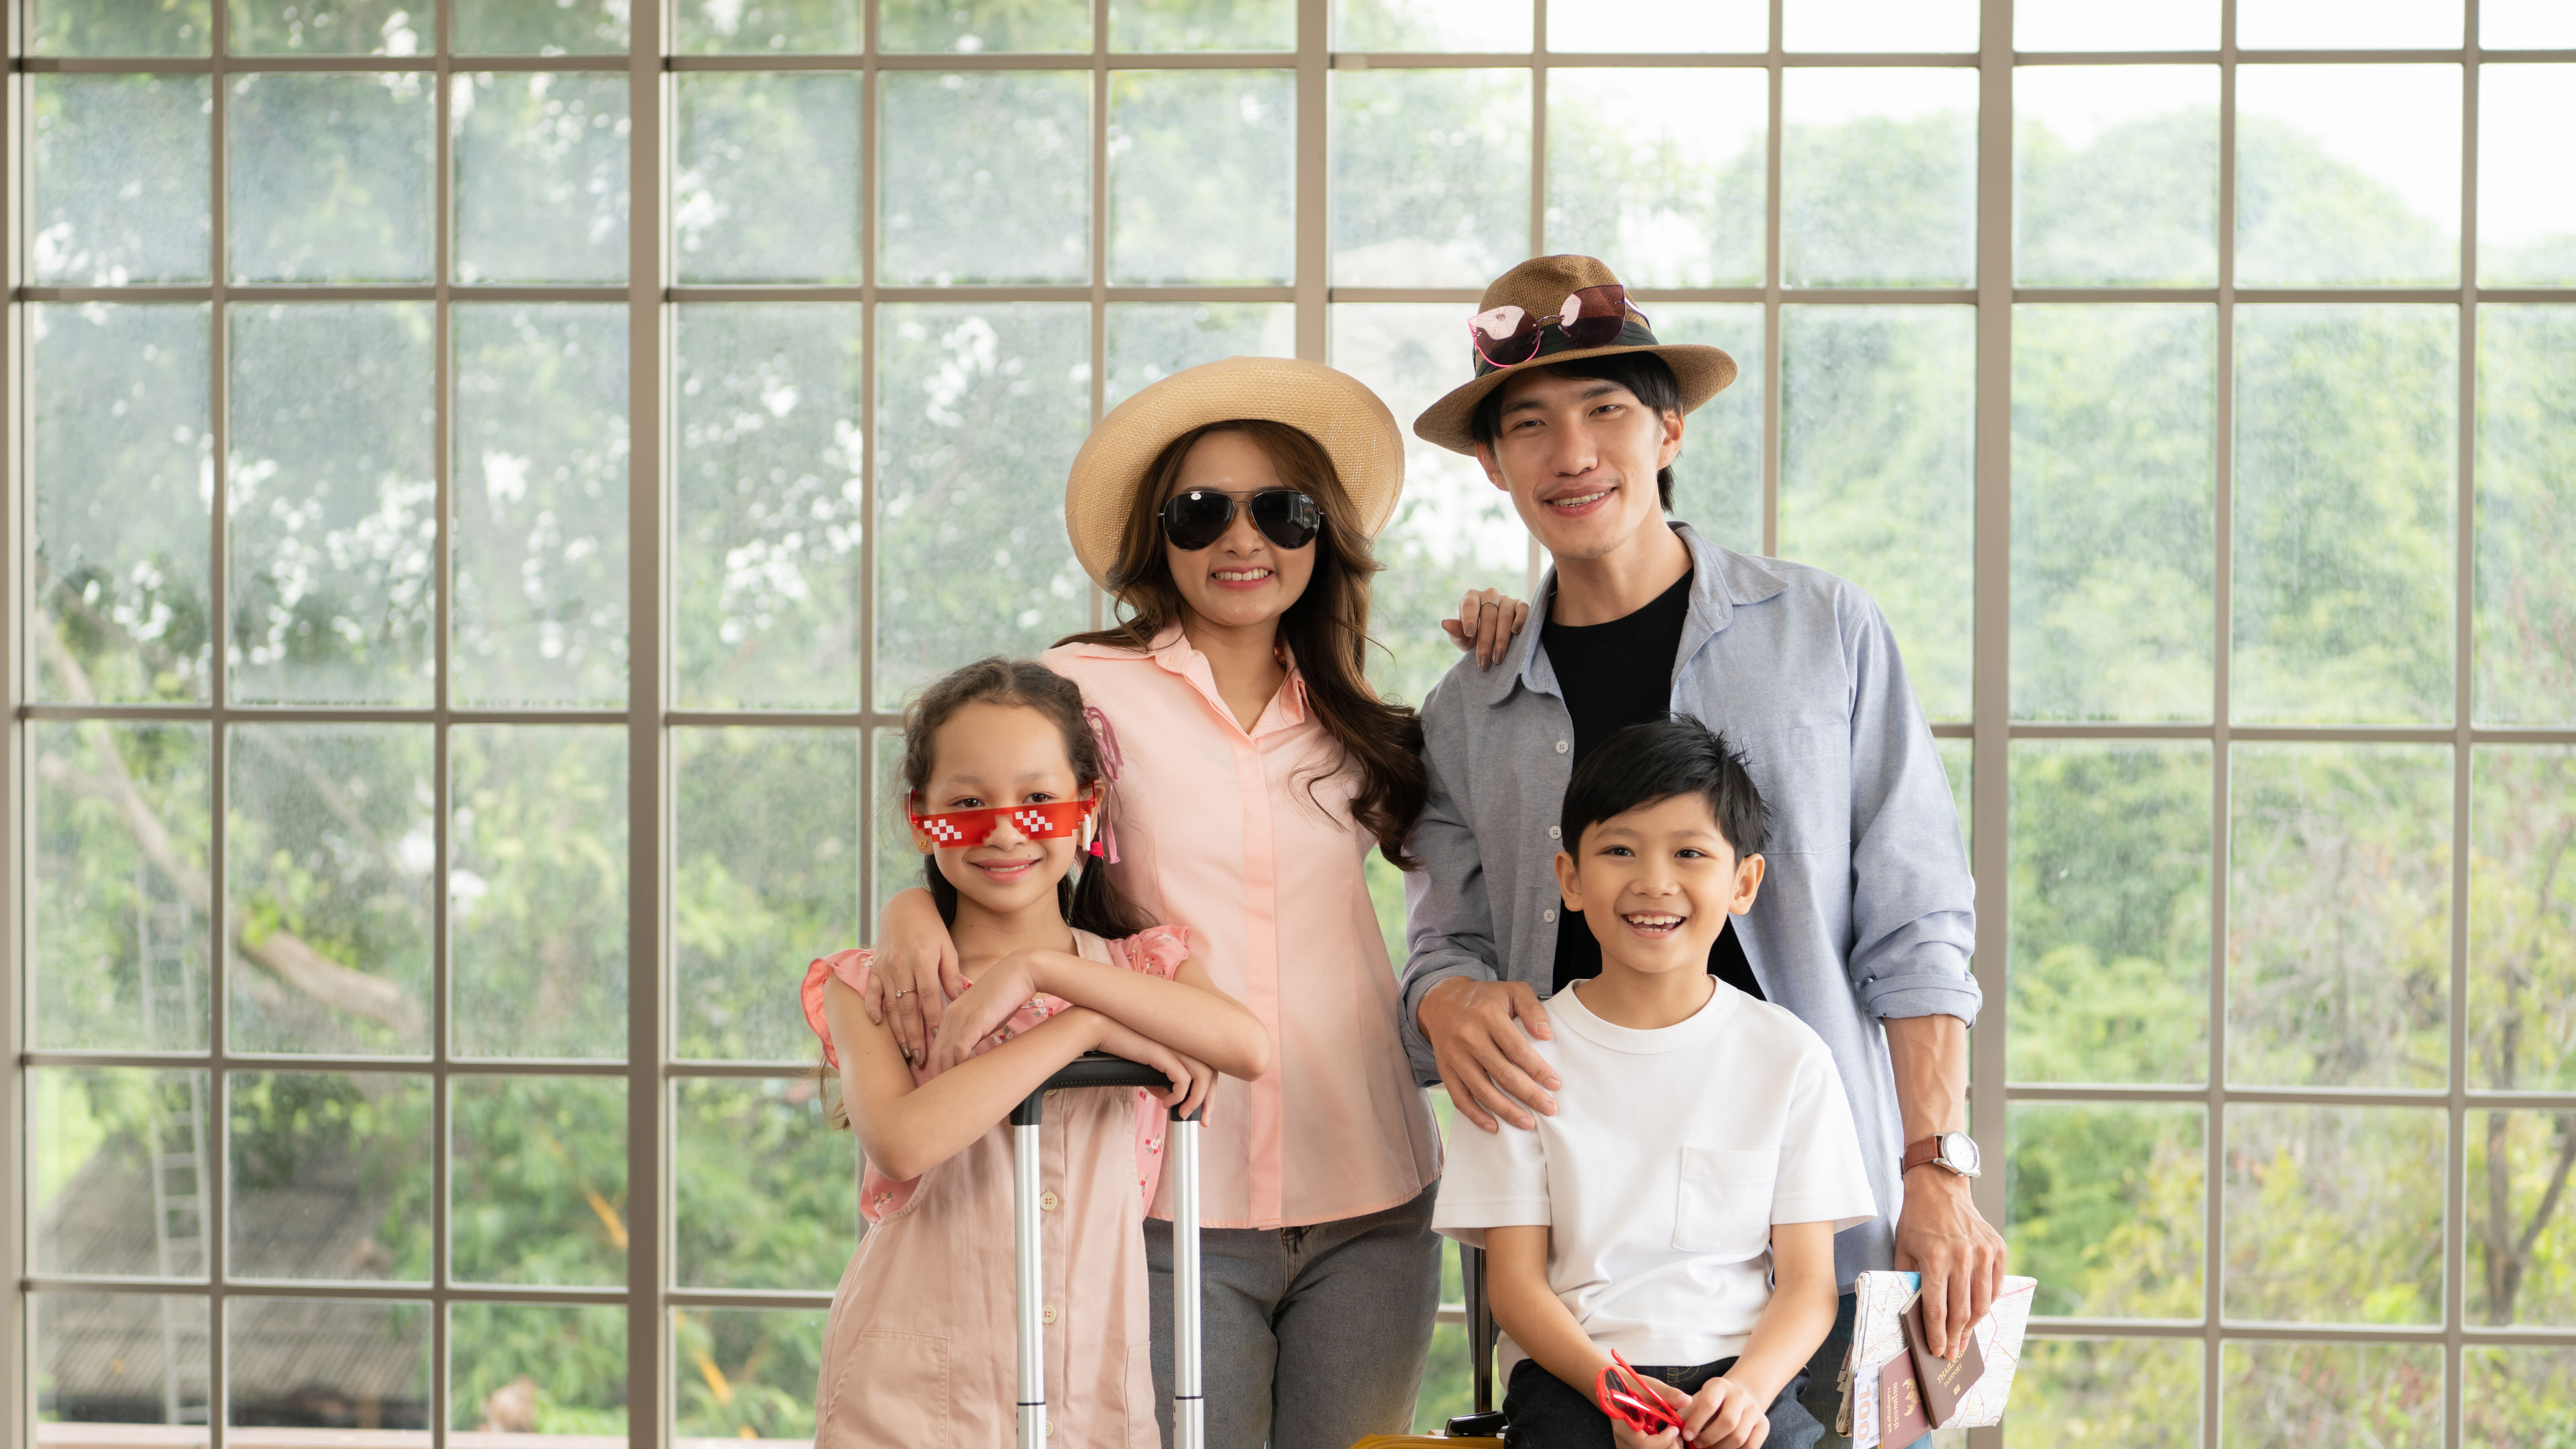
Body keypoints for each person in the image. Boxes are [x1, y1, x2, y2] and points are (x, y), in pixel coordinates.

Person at [862, 358, 1525, 1449]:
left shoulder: (1361, 718)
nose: (1242, 539)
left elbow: (1524, 813)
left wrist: (1515, 628)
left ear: (1325, 535)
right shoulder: (1081, 686)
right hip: (1169, 1194)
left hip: (1376, 1188)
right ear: (1157, 537)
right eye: (1202, 511)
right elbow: (991, 813)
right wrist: (908, 907)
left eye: (1281, 510)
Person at [1400, 255, 2002, 1441]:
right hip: (1587, 1262)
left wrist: (1939, 1168)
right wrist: (1450, 1004)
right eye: (1530, 426)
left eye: (1607, 411)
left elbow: (1918, 915)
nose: (1572, 453)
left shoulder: (1825, 628)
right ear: (1493, 464)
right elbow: (1441, 949)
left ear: (1668, 430)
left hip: (1819, 1221)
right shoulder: (1468, 708)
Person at [801, 657, 1271, 1449]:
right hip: (911, 1396)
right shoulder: (875, 987)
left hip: (1093, 1392)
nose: (1007, 830)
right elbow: (904, 1139)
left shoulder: (1139, 966)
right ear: (922, 816)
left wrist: (1048, 976)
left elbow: (1245, 1045)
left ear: (1088, 810)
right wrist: (1080, 1029)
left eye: (1039, 799)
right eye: (969, 804)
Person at [1434, 718, 1876, 1449]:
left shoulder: (1790, 1056)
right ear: (1570, 879)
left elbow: (1807, 1287)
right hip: (1578, 1372)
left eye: (1689, 853)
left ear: (1743, 882)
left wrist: (1744, 1395)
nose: (1653, 882)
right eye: (1618, 851)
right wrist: (1620, 1397)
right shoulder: (1520, 1056)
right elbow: (1514, 1287)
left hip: (1743, 1376)